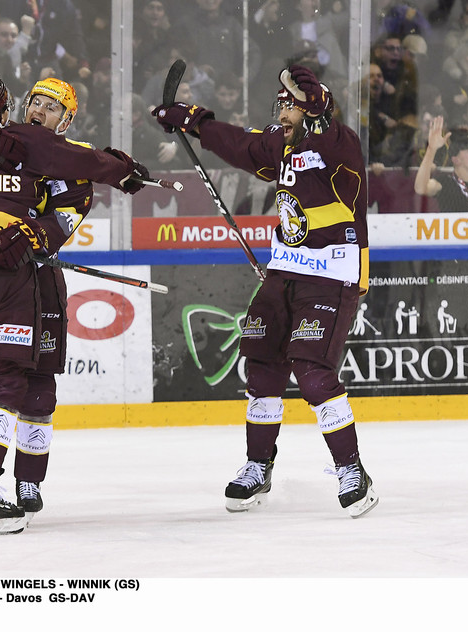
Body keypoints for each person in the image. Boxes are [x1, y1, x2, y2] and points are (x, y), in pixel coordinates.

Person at [0, 75, 149, 535]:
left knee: (33, 390)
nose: (39, 111)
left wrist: (33, 234)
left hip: (34, 277)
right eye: (34, 102)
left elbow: (64, 215)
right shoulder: (9, 144)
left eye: (51, 107)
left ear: (67, 119)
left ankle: (26, 483)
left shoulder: (55, 154)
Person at [152, 64, 378, 518]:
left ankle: (352, 470)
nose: (281, 109)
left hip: (332, 275)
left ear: (313, 106)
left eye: (289, 102)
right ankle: (259, 465)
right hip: (284, 273)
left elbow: (328, 128)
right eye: (279, 102)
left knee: (312, 373)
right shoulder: (282, 144)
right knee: (261, 367)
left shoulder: (338, 143)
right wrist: (192, 120)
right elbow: (240, 143)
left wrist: (315, 102)